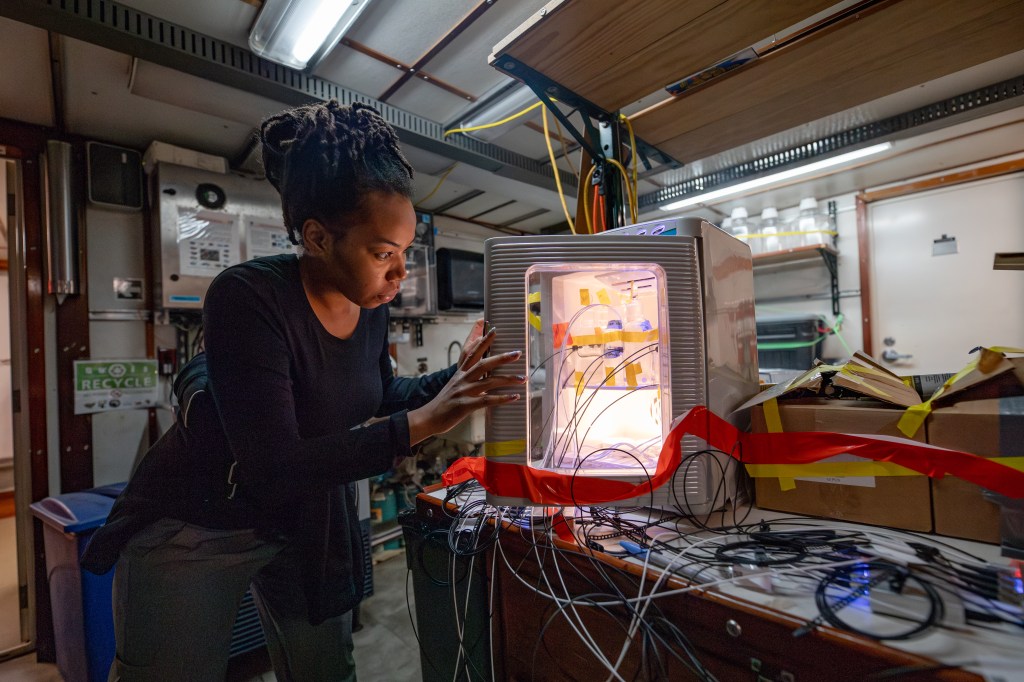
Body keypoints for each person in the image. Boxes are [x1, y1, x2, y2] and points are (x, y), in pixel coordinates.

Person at [81, 100, 523, 681]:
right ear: (317, 237)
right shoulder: (248, 298)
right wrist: (425, 424)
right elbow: (273, 463)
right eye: (383, 254)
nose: (400, 275)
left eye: (404, 255)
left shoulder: (370, 309)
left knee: (325, 671)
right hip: (199, 523)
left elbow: (385, 394)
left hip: (301, 523)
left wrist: (458, 377)